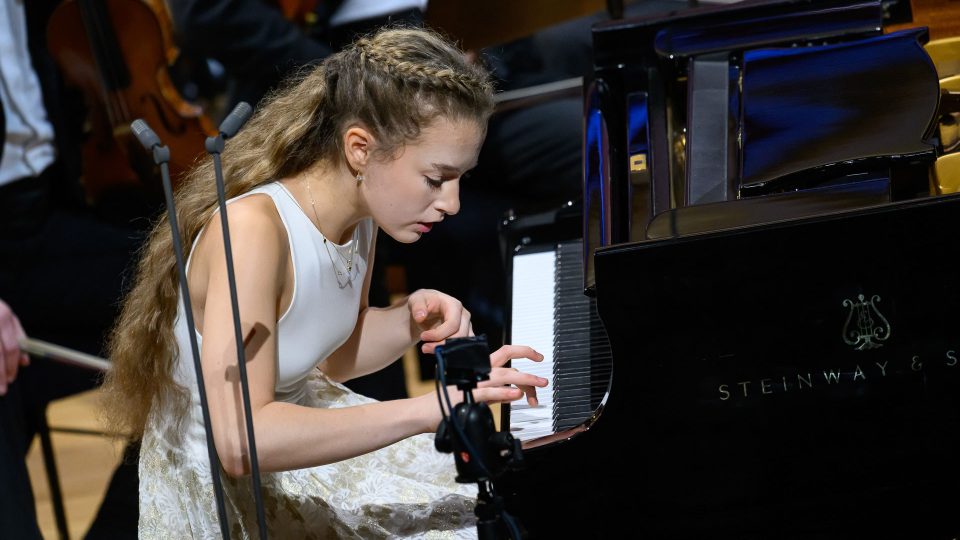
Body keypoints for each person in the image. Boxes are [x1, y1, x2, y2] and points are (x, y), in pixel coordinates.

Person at [100, 27, 547, 537]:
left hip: (297, 441)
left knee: (506, 495)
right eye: (435, 178)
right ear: (360, 148)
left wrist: (407, 320)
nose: (452, 203)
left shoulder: (361, 216)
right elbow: (241, 442)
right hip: (233, 494)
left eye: (460, 179)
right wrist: (430, 410)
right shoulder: (251, 233)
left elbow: (326, 355)